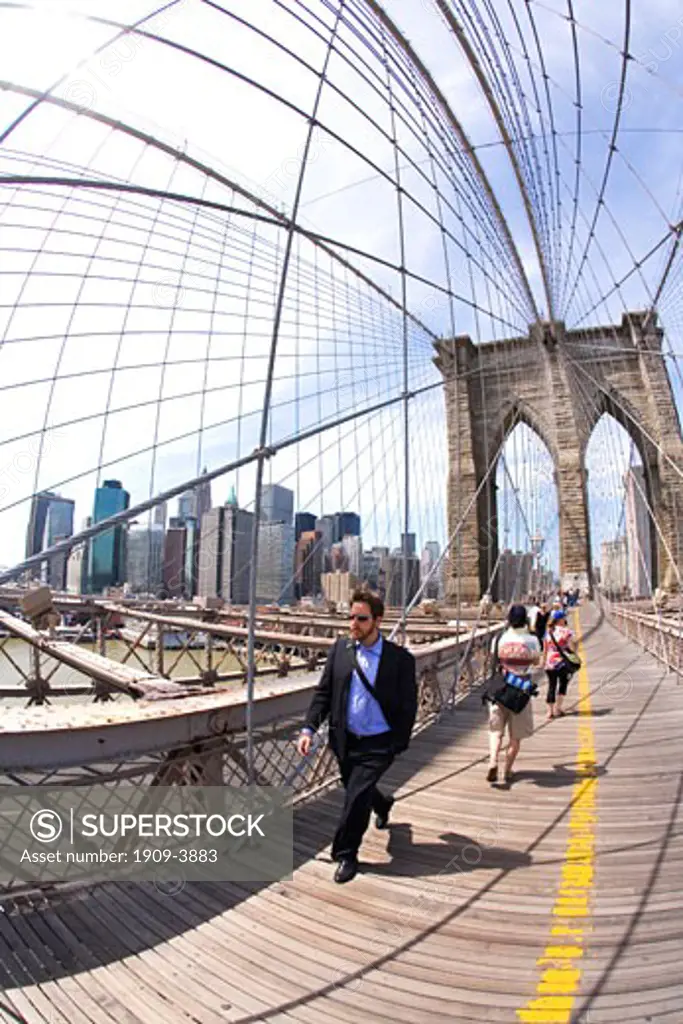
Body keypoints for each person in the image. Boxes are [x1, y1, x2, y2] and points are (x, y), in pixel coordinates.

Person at [296, 589, 417, 884]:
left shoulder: (400, 660)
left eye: (361, 618)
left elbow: (408, 704)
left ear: (377, 620)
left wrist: (399, 741)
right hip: (345, 740)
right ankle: (383, 804)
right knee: (358, 789)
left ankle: (346, 854)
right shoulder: (341, 650)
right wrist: (308, 728)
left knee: (355, 797)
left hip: (379, 742)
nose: (353, 624)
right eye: (350, 617)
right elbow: (323, 693)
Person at [486, 604, 541, 784]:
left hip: (500, 689)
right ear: (525, 619)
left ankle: (493, 761)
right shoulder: (532, 641)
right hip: (521, 691)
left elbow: (493, 658)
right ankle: (507, 771)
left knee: (496, 732)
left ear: (508, 619)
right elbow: (537, 661)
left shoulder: (499, 639)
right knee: (515, 737)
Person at [543, 608, 577, 719]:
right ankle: (558, 708)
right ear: (561, 619)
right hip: (562, 663)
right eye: (564, 617)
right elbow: (573, 647)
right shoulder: (567, 632)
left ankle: (549, 711)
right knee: (563, 684)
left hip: (550, 663)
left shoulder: (548, 632)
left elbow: (545, 649)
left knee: (551, 686)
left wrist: (543, 662)